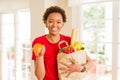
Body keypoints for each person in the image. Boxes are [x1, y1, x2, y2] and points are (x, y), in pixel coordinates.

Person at [32, 6, 94, 80]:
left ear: (62, 23)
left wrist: (80, 68)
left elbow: (91, 63)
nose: (54, 25)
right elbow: (40, 77)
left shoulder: (70, 41)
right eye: (50, 21)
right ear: (46, 22)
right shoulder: (39, 42)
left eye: (58, 22)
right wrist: (40, 56)